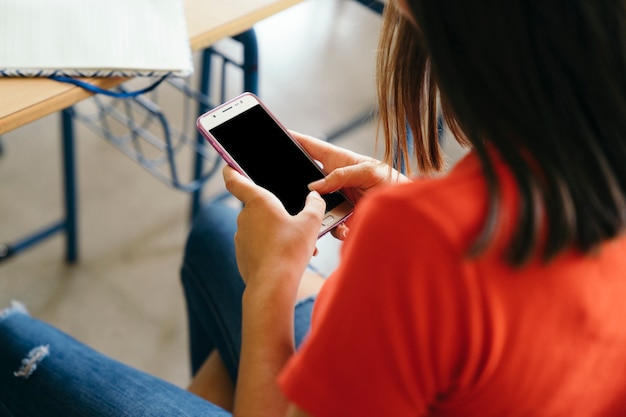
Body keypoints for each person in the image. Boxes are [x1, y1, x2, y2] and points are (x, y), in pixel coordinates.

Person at [1, 0, 625, 415]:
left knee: (11, 341)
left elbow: (450, 274)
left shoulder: (419, 243)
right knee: (218, 228)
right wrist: (412, 203)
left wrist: (270, 281)